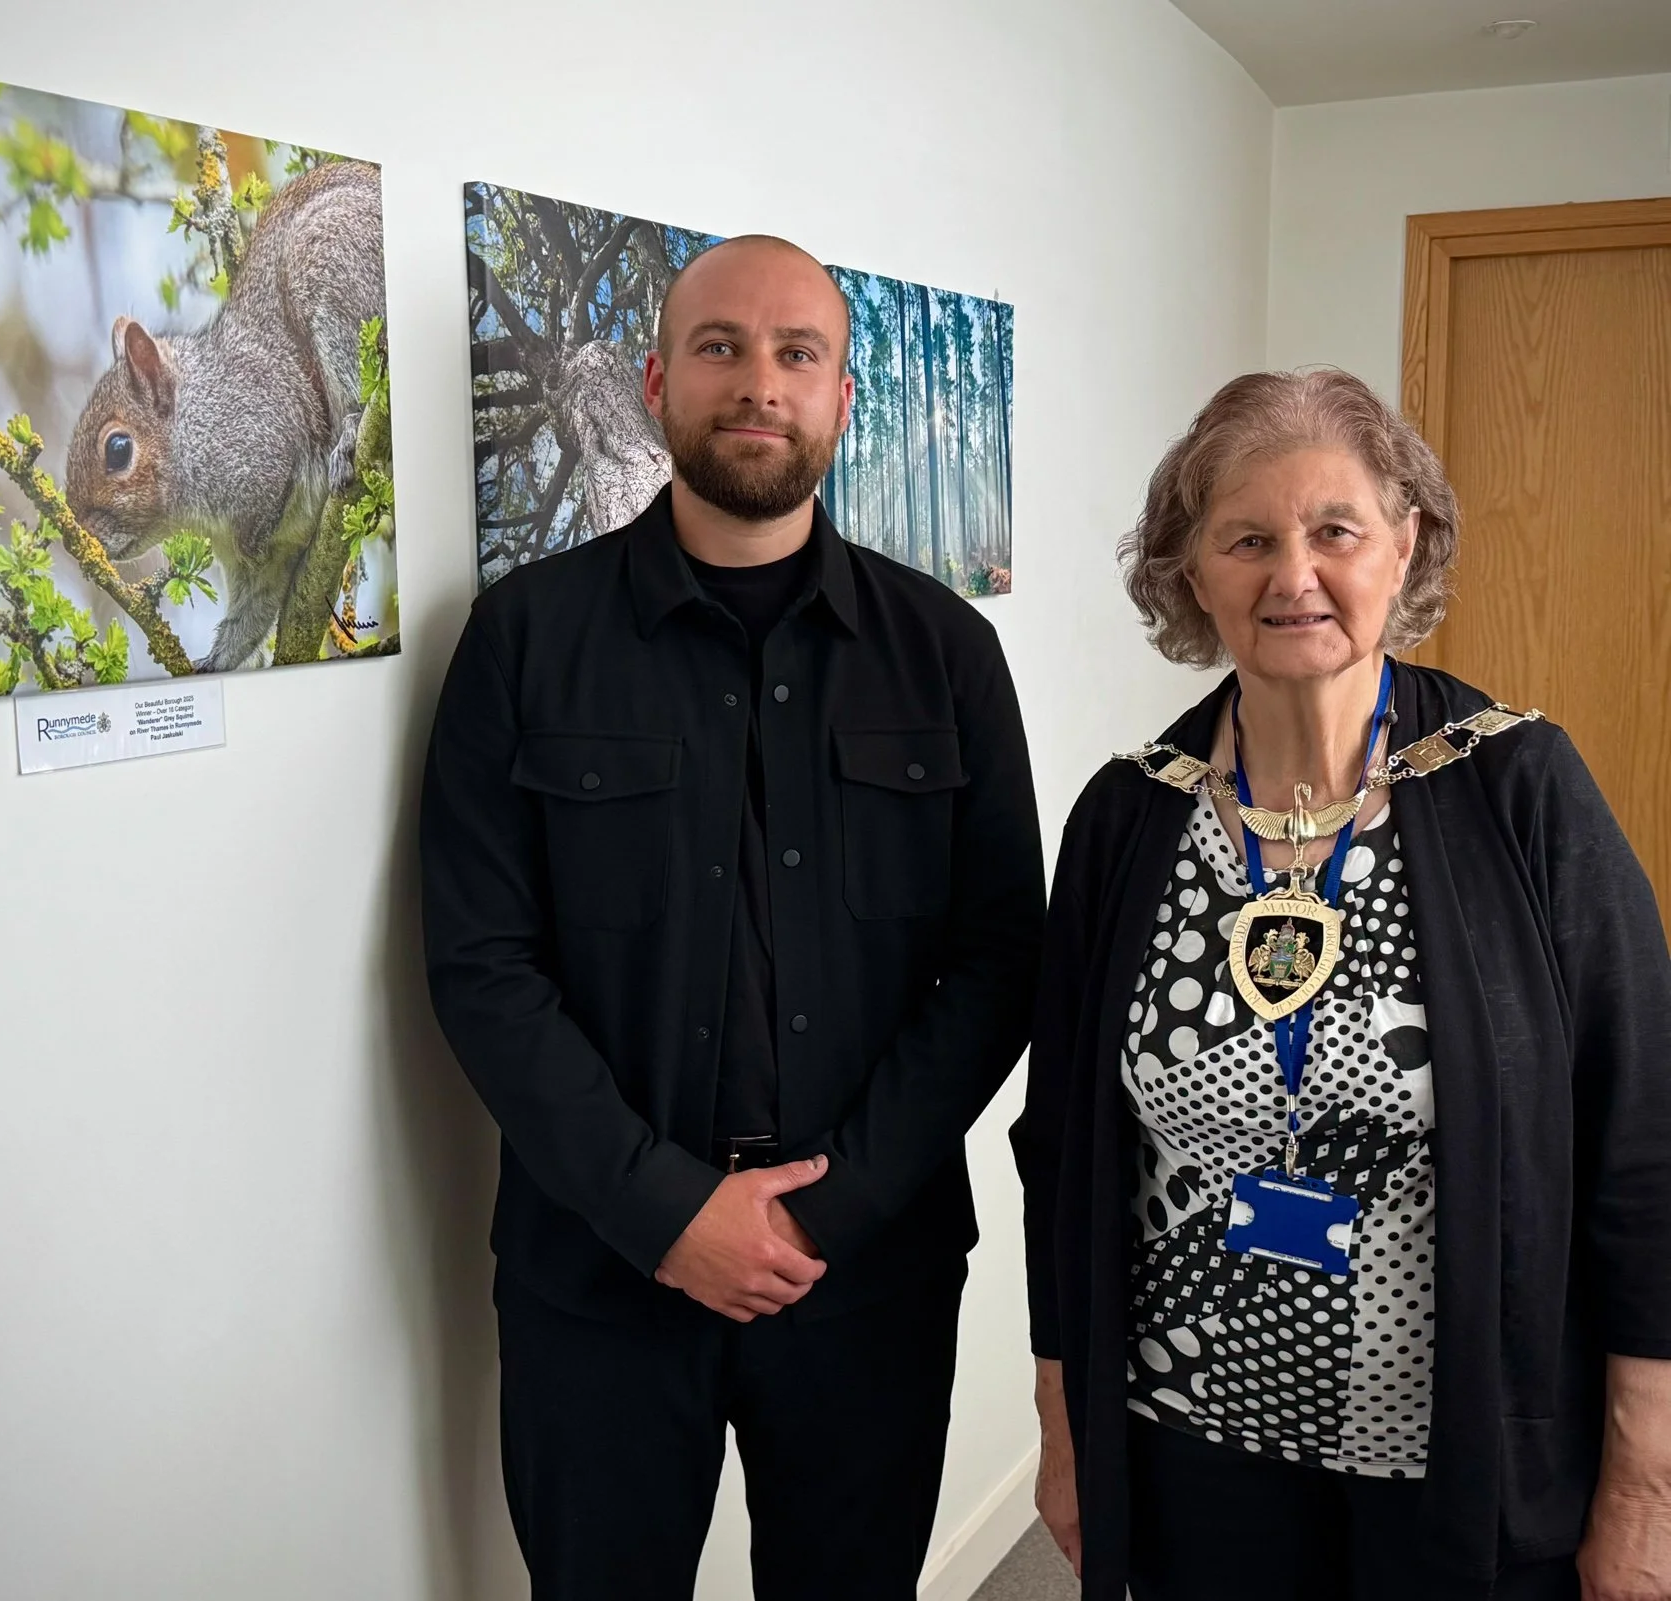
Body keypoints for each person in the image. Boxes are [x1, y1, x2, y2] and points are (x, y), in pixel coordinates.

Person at [421, 234, 1044, 1600]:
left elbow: (1000, 958)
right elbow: (481, 968)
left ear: (842, 397)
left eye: (795, 353)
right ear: (656, 379)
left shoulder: (946, 653)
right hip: (599, 1274)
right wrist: (668, 1210)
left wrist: (833, 1209)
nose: (758, 382)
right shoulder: (524, 640)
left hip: (865, 1279)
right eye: (721, 348)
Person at [1012, 368, 1671, 1601]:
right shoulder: (1125, 815)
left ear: (1401, 546)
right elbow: (1058, 1152)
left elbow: (1643, 1136)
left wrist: (1644, 1480)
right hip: (1189, 1435)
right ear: (1189, 570)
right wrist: (1063, 1429)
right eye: (1246, 538)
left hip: (1456, 1454)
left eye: (1333, 532)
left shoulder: (1514, 784)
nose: (1291, 576)